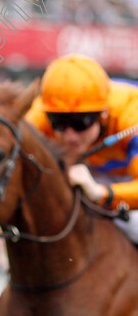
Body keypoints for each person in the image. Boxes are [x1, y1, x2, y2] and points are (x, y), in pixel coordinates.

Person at [25, 53, 138, 241]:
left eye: (81, 122)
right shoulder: (39, 116)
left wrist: (102, 193)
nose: (69, 136)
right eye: (59, 122)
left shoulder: (131, 115)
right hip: (85, 174)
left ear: (104, 113)